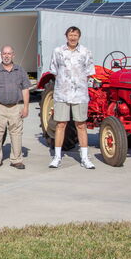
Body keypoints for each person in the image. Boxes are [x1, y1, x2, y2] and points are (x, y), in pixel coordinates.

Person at [48, 26, 96, 169]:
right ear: (66, 36)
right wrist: (64, 83)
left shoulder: (85, 52)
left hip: (80, 95)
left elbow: (89, 72)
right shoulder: (58, 52)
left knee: (81, 125)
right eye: (70, 35)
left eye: (75, 35)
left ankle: (85, 158)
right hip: (62, 94)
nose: (73, 37)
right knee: (61, 124)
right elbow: (54, 71)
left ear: (79, 37)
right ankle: (57, 157)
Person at [0, 45, 31, 170]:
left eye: (9, 53)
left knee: (16, 134)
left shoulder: (20, 71)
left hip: (16, 107)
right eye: (4, 53)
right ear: (1, 55)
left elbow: (25, 89)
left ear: (13, 55)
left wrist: (26, 107)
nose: (6, 56)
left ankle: (16, 160)